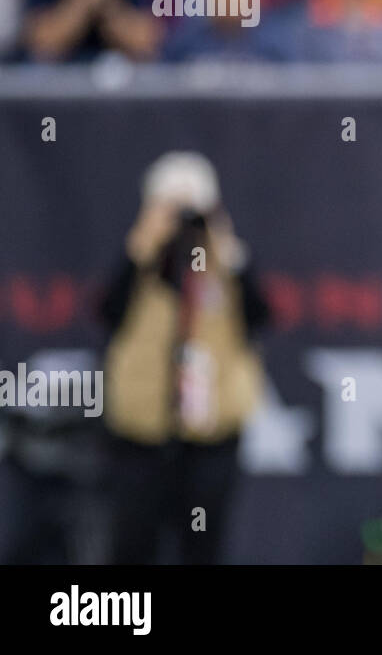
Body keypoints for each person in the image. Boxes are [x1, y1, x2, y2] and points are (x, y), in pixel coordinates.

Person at [99, 151, 270, 564]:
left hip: (210, 440)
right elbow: (107, 312)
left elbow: (260, 314)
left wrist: (226, 248)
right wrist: (143, 245)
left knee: (203, 547)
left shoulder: (224, 268)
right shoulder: (139, 266)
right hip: (140, 438)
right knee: (133, 545)